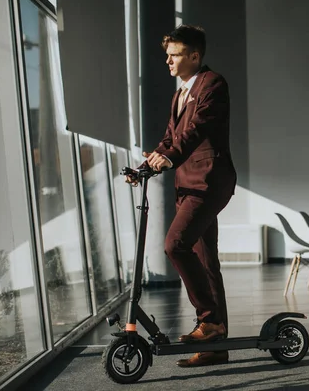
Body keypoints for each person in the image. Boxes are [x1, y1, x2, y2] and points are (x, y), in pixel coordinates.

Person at [127, 25, 236, 367]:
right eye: (167, 55)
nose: (168, 61)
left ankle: (209, 321)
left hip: (209, 181)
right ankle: (216, 346)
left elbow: (196, 129)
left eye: (174, 55)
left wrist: (170, 156)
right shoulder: (179, 95)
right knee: (206, 263)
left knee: (175, 244)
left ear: (194, 55)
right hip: (187, 185)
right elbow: (170, 137)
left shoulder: (212, 84)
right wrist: (145, 166)